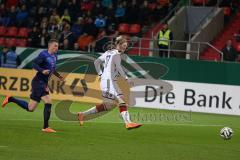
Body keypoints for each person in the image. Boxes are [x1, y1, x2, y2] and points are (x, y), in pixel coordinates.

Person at [77, 36, 142, 130]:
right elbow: (119, 68)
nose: (124, 48)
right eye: (123, 46)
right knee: (121, 100)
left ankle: (82, 114)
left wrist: (100, 74)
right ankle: (128, 123)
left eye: (126, 46)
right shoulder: (116, 55)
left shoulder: (108, 52)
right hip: (108, 82)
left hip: (110, 81)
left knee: (109, 106)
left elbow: (96, 62)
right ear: (118, 45)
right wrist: (126, 79)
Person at [2, 39, 64, 133]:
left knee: (30, 108)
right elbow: (34, 64)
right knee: (48, 101)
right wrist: (42, 71)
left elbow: (52, 69)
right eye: (55, 45)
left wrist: (59, 76)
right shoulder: (43, 54)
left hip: (42, 83)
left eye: (57, 46)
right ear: (50, 46)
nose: (57, 47)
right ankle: (46, 127)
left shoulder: (55, 56)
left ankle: (11, 99)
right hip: (38, 82)